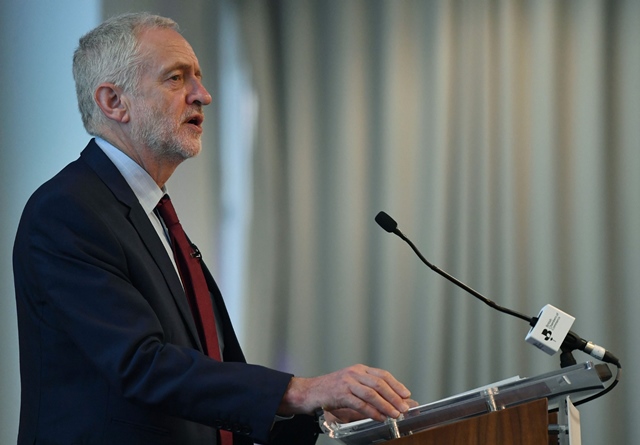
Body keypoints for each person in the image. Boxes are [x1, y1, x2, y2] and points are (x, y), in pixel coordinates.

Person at [13, 12, 413, 445]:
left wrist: (314, 413)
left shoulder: (154, 215)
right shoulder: (68, 210)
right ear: (113, 102)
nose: (202, 95)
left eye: (198, 78)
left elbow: (205, 390)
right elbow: (141, 366)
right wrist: (299, 390)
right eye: (176, 78)